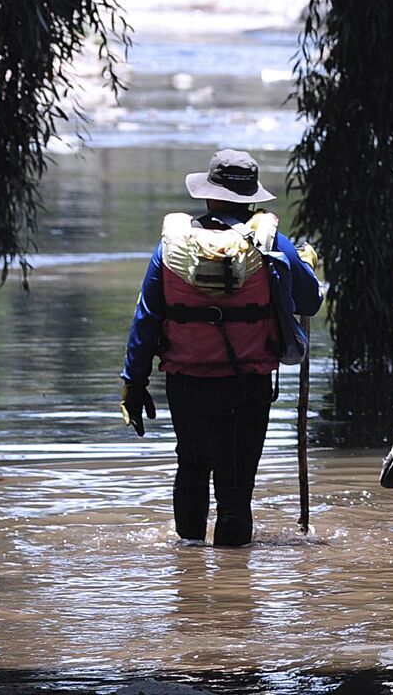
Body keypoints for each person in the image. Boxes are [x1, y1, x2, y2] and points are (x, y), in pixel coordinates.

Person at [119, 149, 322, 548]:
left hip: (186, 382)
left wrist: (134, 381)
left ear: (208, 196)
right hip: (247, 384)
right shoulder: (269, 243)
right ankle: (235, 589)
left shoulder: (174, 246)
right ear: (250, 198)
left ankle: (188, 573)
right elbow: (309, 302)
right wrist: (305, 264)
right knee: (235, 490)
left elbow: (146, 317)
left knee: (192, 468)